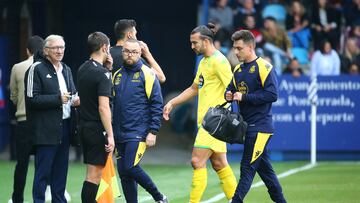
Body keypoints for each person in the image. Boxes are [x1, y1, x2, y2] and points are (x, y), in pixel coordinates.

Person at [163, 23, 237, 202]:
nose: (192, 46)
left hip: (214, 122)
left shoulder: (219, 62)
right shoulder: (204, 62)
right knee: (220, 164)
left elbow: (234, 88)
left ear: (205, 41)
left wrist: (226, 113)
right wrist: (172, 102)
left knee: (197, 161)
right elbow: (194, 88)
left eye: (194, 42)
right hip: (208, 122)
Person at [225, 30, 286, 203]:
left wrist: (244, 97)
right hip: (248, 126)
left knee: (247, 168)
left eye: (239, 48)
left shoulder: (264, 67)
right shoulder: (237, 69)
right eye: (234, 48)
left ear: (250, 47)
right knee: (267, 174)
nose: (236, 52)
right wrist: (228, 95)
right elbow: (230, 90)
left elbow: (272, 95)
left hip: (261, 127)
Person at [25, 34, 79, 203]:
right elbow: (31, 99)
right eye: (55, 47)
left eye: (62, 47)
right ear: (45, 50)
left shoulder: (67, 69)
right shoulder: (37, 68)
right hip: (45, 130)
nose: (59, 51)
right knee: (42, 174)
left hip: (65, 127)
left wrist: (76, 100)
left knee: (60, 174)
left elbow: (73, 94)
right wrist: (57, 99)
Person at [112, 39, 167, 203]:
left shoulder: (148, 73)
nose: (130, 55)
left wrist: (153, 131)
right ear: (122, 52)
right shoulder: (116, 75)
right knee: (123, 172)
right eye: (127, 51)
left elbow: (157, 104)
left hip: (138, 131)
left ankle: (159, 197)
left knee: (130, 166)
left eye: (134, 52)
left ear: (140, 53)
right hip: (119, 132)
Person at [77, 31, 115, 203]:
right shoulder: (103, 74)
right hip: (97, 129)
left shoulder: (83, 68)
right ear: (104, 47)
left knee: (91, 174)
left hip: (84, 126)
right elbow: (103, 107)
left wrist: (107, 69)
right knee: (94, 176)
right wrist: (111, 135)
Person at [9, 35, 43, 203]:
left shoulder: (17, 67)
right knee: (41, 164)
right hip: (41, 123)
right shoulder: (46, 67)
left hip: (23, 121)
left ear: (27, 50)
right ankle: (40, 198)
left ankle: (17, 199)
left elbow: (13, 96)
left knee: (21, 164)